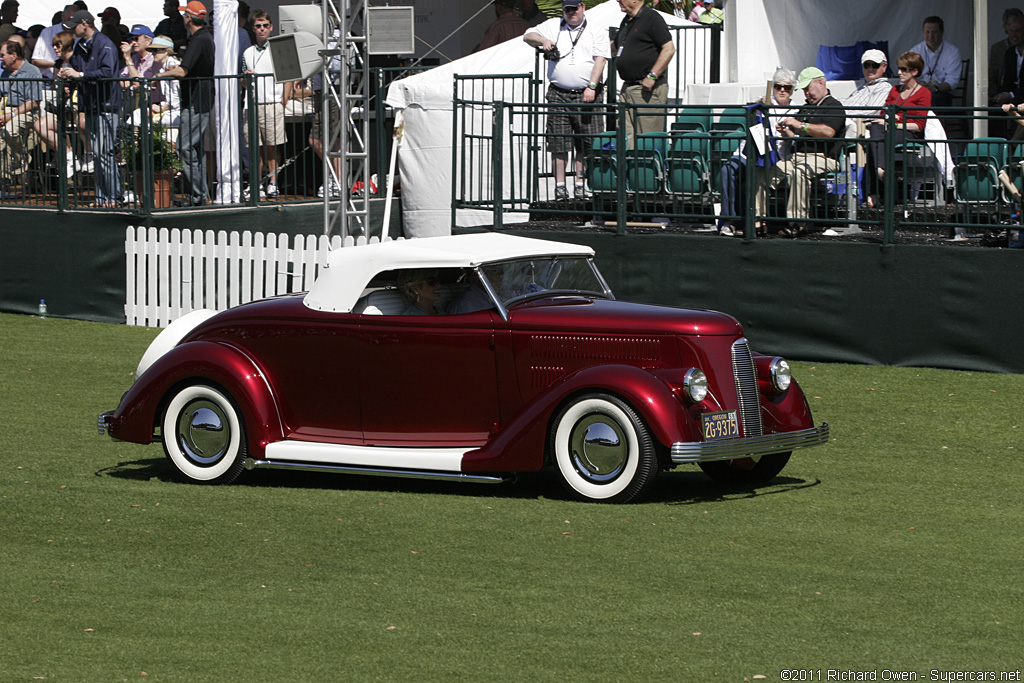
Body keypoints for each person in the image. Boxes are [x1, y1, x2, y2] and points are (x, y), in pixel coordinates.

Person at [524, 0, 610, 201]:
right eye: (567, 10)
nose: (571, 13)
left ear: (583, 7)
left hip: (587, 94)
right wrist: (542, 41)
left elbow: (601, 60)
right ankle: (560, 187)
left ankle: (581, 185)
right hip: (558, 93)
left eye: (574, 9)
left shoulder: (596, 29)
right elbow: (527, 35)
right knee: (558, 142)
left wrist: (592, 86)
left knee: (587, 143)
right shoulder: (554, 24)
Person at [759, 66, 846, 237]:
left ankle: (798, 223)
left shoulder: (834, 106)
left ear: (821, 83)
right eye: (804, 90)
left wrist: (800, 125)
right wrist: (785, 131)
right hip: (796, 157)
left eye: (808, 88)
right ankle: (757, 219)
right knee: (761, 173)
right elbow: (794, 136)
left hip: (823, 158)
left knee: (800, 172)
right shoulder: (805, 108)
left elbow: (829, 132)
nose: (806, 93)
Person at [717, 67, 797, 237]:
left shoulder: (796, 111)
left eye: (787, 87)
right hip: (751, 152)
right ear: (773, 87)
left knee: (760, 173)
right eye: (778, 86)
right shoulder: (764, 102)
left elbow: (795, 141)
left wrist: (786, 132)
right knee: (727, 170)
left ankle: (757, 221)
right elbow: (751, 108)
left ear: (792, 90)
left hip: (777, 157)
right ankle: (728, 221)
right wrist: (760, 103)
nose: (782, 90)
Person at [59, 9, 122, 207]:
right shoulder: (81, 45)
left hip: (106, 105)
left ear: (85, 24)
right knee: (97, 155)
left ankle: (114, 198)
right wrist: (69, 79)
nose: (72, 31)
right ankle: (102, 198)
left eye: (74, 26)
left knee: (105, 154)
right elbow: (78, 69)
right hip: (93, 105)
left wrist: (79, 75)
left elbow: (107, 72)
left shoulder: (105, 44)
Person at [156, 0, 214, 207]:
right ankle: (199, 195)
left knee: (184, 147)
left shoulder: (199, 39)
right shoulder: (202, 37)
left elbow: (182, 70)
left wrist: (159, 76)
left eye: (184, 15)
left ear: (188, 18)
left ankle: (198, 196)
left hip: (198, 101)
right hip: (198, 99)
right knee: (194, 149)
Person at [862, 51, 931, 209]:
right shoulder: (895, 90)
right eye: (899, 68)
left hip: (909, 132)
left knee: (876, 136)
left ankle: (874, 191)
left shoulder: (924, 93)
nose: (899, 72)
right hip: (888, 129)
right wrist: (890, 121)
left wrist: (896, 123)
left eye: (904, 69)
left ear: (915, 72)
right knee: (876, 131)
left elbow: (919, 125)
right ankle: (881, 169)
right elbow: (883, 113)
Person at [241, 9, 292, 200]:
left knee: (272, 146)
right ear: (253, 29)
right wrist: (246, 78)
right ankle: (256, 183)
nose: (261, 29)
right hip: (253, 104)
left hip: (272, 103)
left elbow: (288, 77)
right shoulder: (248, 52)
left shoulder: (278, 50)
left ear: (270, 27)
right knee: (255, 147)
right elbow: (243, 82)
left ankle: (272, 182)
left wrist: (283, 101)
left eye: (265, 26)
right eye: (258, 26)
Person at [613, 0, 675, 147]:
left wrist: (652, 76)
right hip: (627, 88)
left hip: (646, 90)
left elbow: (669, 49)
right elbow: (615, 47)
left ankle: (647, 170)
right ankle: (630, 169)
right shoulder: (627, 21)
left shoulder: (652, 18)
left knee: (648, 141)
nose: (617, 0)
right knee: (625, 137)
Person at [33, 30, 77, 178]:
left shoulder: (77, 60)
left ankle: (69, 158)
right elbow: (55, 87)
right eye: (53, 46)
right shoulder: (58, 63)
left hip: (77, 107)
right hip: (60, 107)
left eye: (58, 45)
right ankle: (68, 153)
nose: (55, 49)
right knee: (40, 125)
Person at [0, 39, 42, 180]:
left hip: (27, 112)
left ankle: (22, 158)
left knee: (10, 129)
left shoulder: (32, 72)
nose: (0, 59)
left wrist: (10, 115)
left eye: (2, 55)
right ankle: (4, 180)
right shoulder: (5, 73)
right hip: (5, 111)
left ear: (14, 55)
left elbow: (34, 102)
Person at [908, 16, 961, 108]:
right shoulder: (915, 51)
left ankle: (925, 122)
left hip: (941, 93)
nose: (930, 36)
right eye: (927, 32)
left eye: (934, 32)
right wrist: (918, 85)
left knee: (931, 99)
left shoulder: (952, 51)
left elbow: (952, 81)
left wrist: (934, 88)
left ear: (942, 32)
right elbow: (907, 75)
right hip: (918, 90)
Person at [31, 4, 76, 77]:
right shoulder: (47, 32)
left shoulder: (80, 34)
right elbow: (35, 60)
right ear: (62, 16)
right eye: (69, 19)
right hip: (46, 80)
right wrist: (56, 64)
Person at [990, 8, 1024, 97]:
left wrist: (1010, 95)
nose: (1014, 35)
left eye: (1018, 31)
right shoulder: (1009, 52)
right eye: (1011, 30)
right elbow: (992, 77)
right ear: (1005, 27)